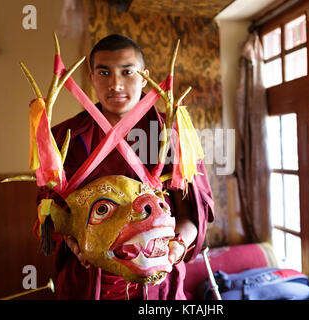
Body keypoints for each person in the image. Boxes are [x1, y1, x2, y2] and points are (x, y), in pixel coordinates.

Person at [37, 34, 215, 300]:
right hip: (87, 283)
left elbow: (192, 213)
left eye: (127, 71)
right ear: (92, 76)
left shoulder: (174, 133)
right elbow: (53, 213)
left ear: (144, 77)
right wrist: (74, 244)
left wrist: (177, 247)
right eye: (104, 72)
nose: (116, 84)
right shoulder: (64, 138)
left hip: (157, 283)